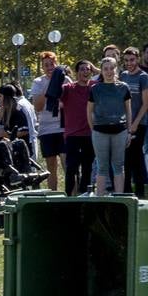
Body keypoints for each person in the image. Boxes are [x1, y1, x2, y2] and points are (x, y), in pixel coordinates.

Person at [88, 56, 132, 195]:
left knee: (119, 165)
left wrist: (129, 131)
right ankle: (100, 197)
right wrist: (93, 129)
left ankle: (119, 196)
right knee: (102, 166)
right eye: (105, 69)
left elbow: (128, 110)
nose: (109, 71)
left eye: (111, 68)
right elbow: (89, 111)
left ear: (116, 69)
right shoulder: (95, 88)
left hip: (120, 130)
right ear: (101, 71)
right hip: (100, 131)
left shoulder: (124, 87)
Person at [119, 47, 148, 197]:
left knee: (136, 157)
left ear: (137, 59)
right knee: (126, 158)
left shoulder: (143, 77)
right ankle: (126, 191)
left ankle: (140, 191)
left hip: (139, 124)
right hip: (124, 123)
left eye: (132, 60)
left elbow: (146, 103)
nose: (129, 63)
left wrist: (135, 123)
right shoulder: (123, 75)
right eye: (126, 60)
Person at [30, 51, 65, 193]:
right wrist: (49, 87)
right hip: (46, 130)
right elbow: (37, 106)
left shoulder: (65, 79)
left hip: (63, 128)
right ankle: (54, 195)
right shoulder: (38, 83)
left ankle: (73, 195)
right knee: (51, 167)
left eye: (52, 64)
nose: (50, 67)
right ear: (42, 67)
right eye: (46, 65)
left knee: (67, 163)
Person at [61, 60, 95, 195]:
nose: (85, 72)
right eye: (82, 69)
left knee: (87, 168)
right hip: (72, 135)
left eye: (88, 69)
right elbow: (55, 94)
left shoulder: (95, 87)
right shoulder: (68, 88)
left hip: (89, 134)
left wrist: (95, 68)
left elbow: (111, 79)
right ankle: (69, 195)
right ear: (76, 72)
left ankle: (85, 195)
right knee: (71, 168)